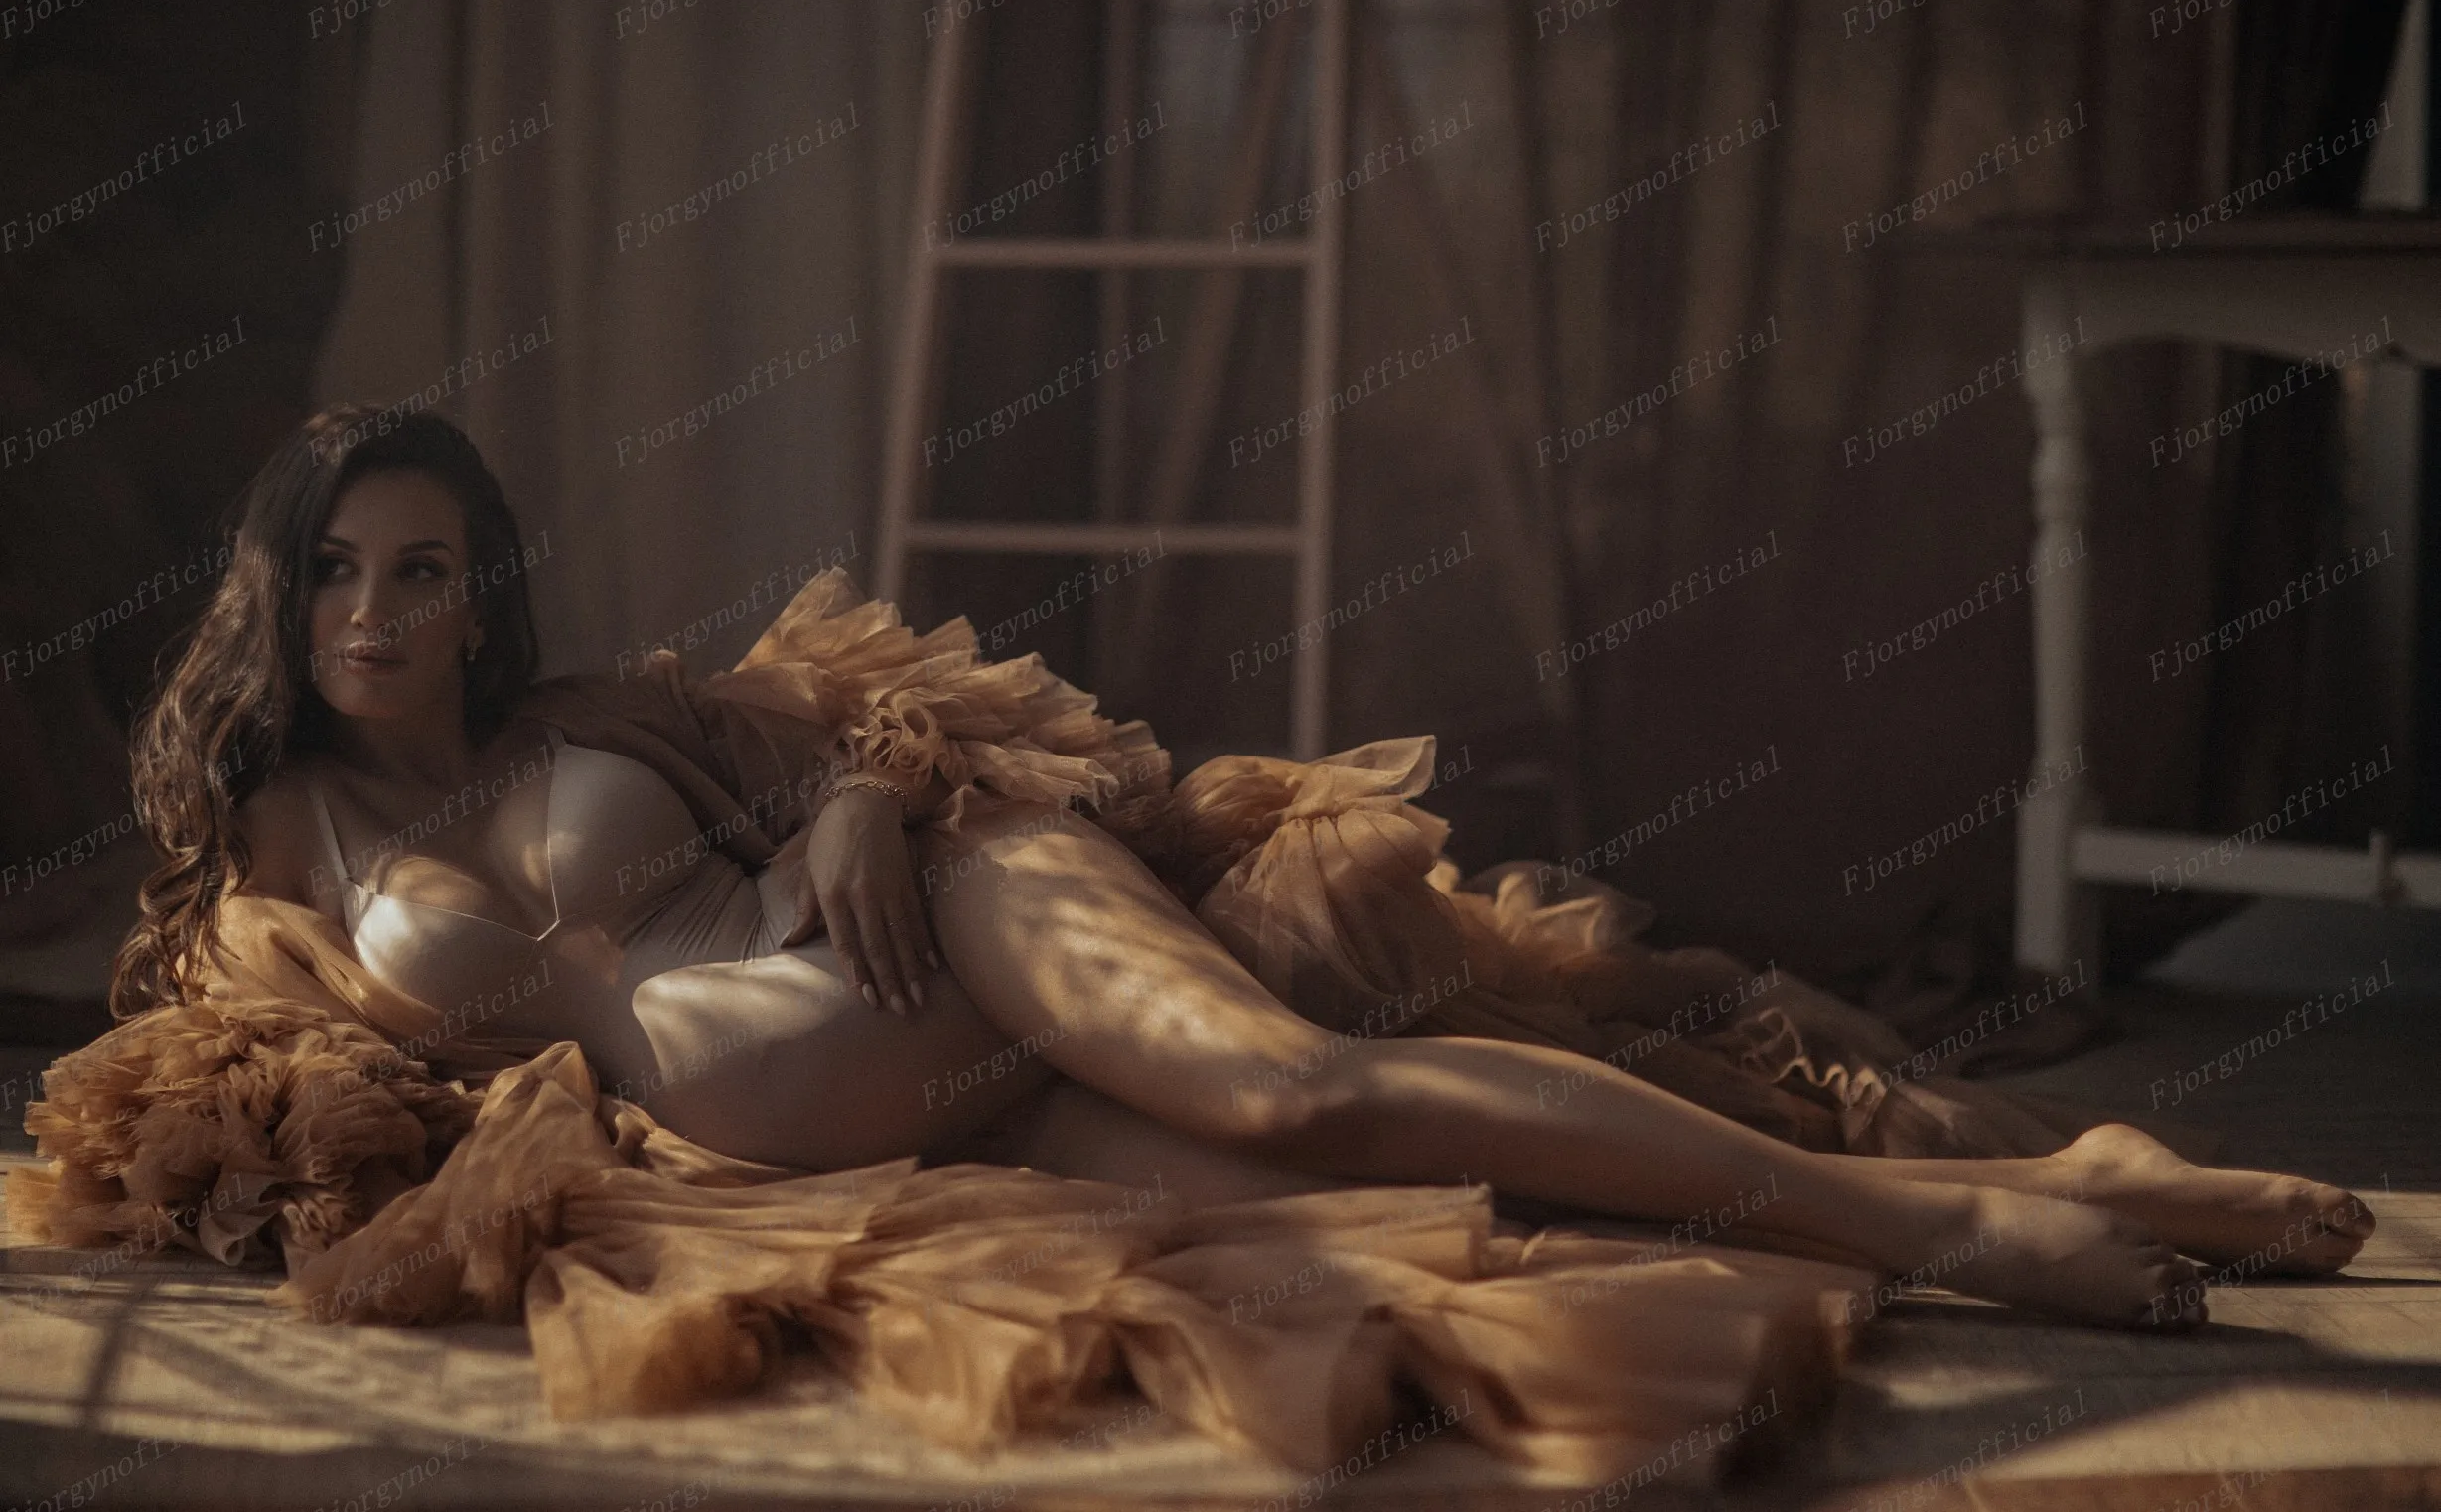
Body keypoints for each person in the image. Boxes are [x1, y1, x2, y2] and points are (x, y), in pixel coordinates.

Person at [108, 405, 2371, 1336]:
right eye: (339, 570)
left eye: (424, 567)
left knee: (1299, 1084)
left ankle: (1960, 1226)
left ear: (482, 590)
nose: (379, 612)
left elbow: (867, 722)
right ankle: (2081, 1168)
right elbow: (312, 1106)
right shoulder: (275, 867)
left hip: (962, 913)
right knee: (1419, 1211)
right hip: (892, 1139)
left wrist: (874, 797)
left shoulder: (594, 713)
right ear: (279, 599)